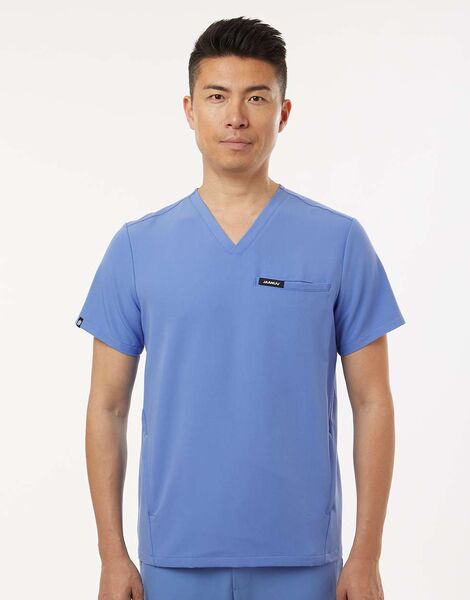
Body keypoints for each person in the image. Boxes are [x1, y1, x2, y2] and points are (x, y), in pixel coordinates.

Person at [75, 16, 406, 600]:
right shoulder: (136, 248)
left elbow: (373, 401)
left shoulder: (338, 242)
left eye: (256, 97)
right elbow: (106, 407)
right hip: (174, 556)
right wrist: (111, 554)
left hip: (304, 557)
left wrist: (367, 555)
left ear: (283, 112)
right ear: (189, 110)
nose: (235, 116)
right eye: (216, 97)